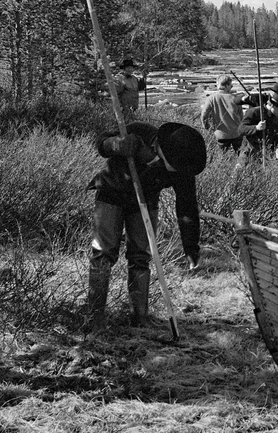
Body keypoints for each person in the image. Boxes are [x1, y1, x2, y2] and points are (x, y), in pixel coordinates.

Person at [86, 121, 207, 323]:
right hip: (112, 194)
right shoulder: (138, 131)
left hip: (145, 201)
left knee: (140, 257)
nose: (175, 172)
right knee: (103, 254)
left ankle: (139, 317)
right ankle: (94, 317)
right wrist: (114, 144)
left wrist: (191, 248)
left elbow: (187, 208)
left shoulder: (183, 165)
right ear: (161, 148)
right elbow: (100, 143)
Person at [200, 74, 245, 154]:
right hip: (236, 133)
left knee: (223, 157)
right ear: (226, 85)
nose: (231, 87)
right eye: (231, 85)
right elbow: (241, 117)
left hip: (221, 134)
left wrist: (207, 127)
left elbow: (204, 115)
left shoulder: (212, 98)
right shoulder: (236, 98)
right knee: (239, 157)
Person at [241, 83, 278, 159]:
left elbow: (275, 138)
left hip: (265, 156)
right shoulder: (254, 112)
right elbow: (241, 129)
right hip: (248, 154)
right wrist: (256, 128)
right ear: (272, 105)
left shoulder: (276, 118)